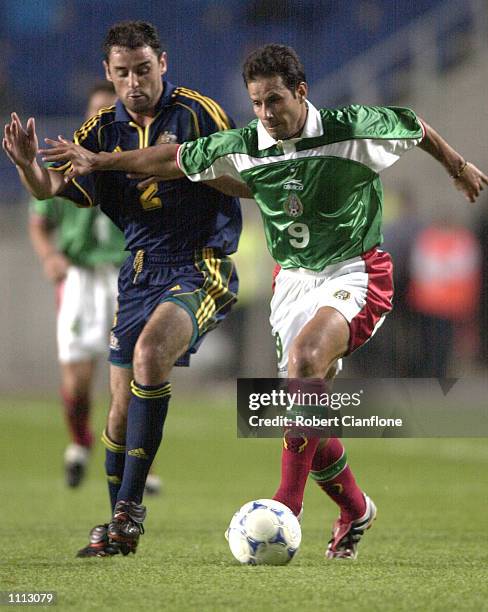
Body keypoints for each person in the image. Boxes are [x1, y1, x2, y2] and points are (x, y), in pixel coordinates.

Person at [27, 43, 488, 560]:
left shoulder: (352, 127)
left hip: (355, 272)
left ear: (301, 93)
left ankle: (285, 505)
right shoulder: (250, 141)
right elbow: (173, 157)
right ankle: (356, 509)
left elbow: (414, 124)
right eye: (257, 103)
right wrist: (101, 160)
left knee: (306, 360)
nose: (266, 113)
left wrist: (458, 165)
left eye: (275, 100)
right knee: (305, 412)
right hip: (292, 283)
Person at [4, 20, 246, 557]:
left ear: (163, 64)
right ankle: (119, 534)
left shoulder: (199, 113)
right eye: (122, 73)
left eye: (143, 69)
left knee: (150, 354)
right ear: (108, 75)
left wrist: (184, 166)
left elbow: (243, 180)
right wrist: (26, 167)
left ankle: (129, 512)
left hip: (198, 262)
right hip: (137, 272)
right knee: (115, 412)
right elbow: (55, 189)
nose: (134, 81)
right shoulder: (97, 133)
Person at [29, 81, 162, 495]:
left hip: (128, 274)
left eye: (112, 111)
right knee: (78, 380)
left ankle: (133, 463)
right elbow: (41, 212)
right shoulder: (71, 161)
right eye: (97, 112)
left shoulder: (136, 157)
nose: (104, 119)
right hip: (82, 277)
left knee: (132, 374)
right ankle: (80, 441)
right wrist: (50, 256)